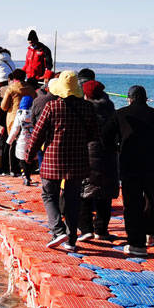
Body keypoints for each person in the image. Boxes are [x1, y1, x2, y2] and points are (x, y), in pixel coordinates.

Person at [24, 71, 100, 252]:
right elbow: (94, 135)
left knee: (49, 195)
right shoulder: (88, 108)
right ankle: (71, 241)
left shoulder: (52, 107)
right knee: (73, 200)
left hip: (52, 160)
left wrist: (29, 155)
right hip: (78, 161)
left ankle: (58, 230)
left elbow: (37, 135)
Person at [108, 85, 154, 255]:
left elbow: (105, 137)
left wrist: (117, 149)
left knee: (132, 203)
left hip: (129, 163)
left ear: (129, 98)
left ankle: (136, 242)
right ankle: (151, 233)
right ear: (145, 99)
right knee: (152, 199)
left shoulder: (120, 114)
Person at [79, 80, 119, 241]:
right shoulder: (111, 108)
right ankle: (101, 231)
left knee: (85, 192)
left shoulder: (86, 109)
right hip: (109, 155)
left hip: (89, 152)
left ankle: (86, 228)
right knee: (105, 194)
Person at [0, 69, 37, 176]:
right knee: (28, 142)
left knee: (13, 142)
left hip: (13, 117)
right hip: (29, 118)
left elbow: (4, 106)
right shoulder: (30, 88)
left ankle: (13, 169)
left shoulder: (11, 88)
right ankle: (27, 168)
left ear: (14, 77)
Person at [7, 96, 36, 185]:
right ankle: (29, 175)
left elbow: (15, 129)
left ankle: (25, 176)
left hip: (22, 139)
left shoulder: (19, 115)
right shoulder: (34, 114)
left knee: (22, 159)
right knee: (31, 158)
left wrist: (9, 140)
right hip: (33, 139)